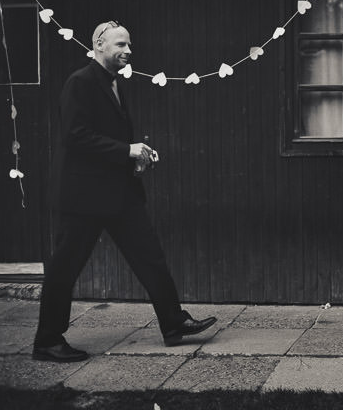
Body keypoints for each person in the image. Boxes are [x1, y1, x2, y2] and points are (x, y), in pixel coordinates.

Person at [32, 21, 216, 362]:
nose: (128, 51)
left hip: (118, 193)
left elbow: (108, 138)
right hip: (83, 197)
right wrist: (126, 150)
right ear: (98, 45)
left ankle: (173, 323)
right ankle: (47, 341)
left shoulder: (113, 82)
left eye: (129, 44)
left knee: (150, 256)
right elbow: (75, 136)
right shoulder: (80, 82)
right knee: (64, 268)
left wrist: (136, 157)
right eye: (120, 44)